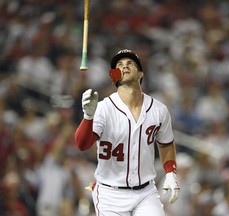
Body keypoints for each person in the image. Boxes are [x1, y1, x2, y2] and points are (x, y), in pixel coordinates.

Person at [74, 49, 180, 216]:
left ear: (140, 73)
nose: (125, 66)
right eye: (120, 65)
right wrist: (88, 117)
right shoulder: (103, 108)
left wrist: (170, 172)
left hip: (146, 192)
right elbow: (82, 144)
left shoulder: (159, 110)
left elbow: (166, 143)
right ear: (114, 75)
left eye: (130, 63)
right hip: (111, 193)